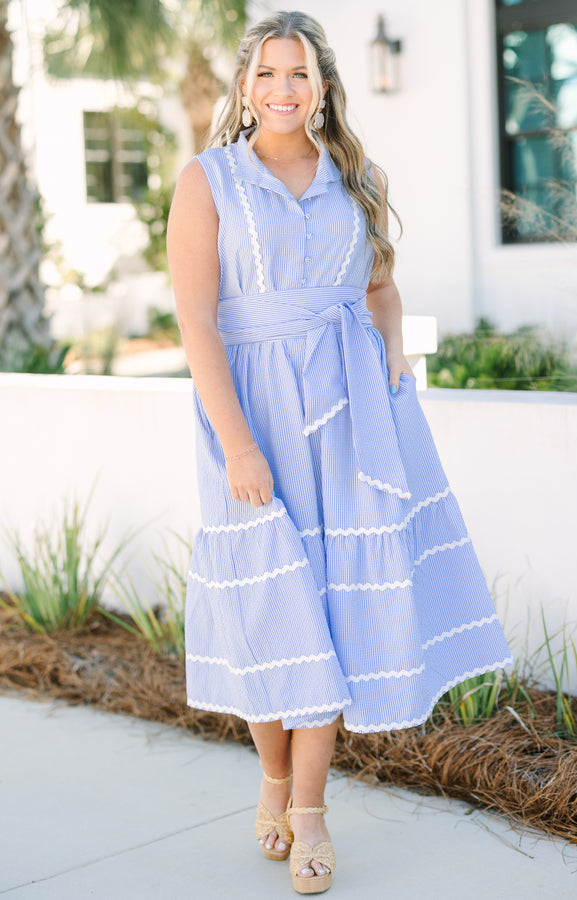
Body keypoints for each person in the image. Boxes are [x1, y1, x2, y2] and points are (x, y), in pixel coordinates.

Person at [167, 10, 513, 895]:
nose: (284, 89)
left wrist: (390, 363)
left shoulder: (356, 176)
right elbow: (197, 324)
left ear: (323, 86)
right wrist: (238, 444)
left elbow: (383, 286)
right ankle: (274, 780)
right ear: (244, 88)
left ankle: (311, 808)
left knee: (332, 615)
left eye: (301, 74)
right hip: (253, 417)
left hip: (353, 415)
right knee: (273, 611)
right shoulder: (207, 182)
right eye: (269, 74)